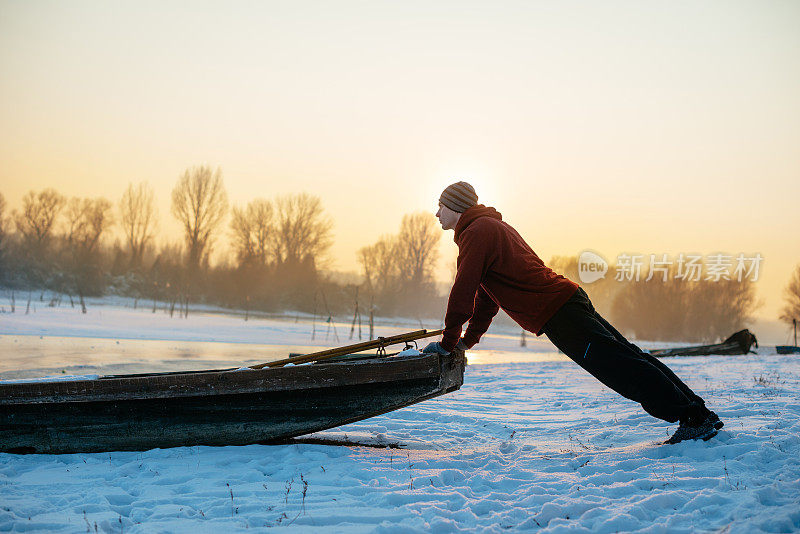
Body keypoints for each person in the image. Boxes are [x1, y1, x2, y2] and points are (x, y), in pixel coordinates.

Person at [423, 181, 722, 444]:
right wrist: (466, 341)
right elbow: (487, 299)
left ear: (456, 206)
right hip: (567, 303)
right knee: (631, 358)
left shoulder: (477, 232)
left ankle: (694, 419)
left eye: (440, 206)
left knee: (622, 368)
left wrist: (449, 344)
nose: (437, 213)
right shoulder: (489, 228)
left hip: (560, 313)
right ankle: (698, 414)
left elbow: (462, 292)